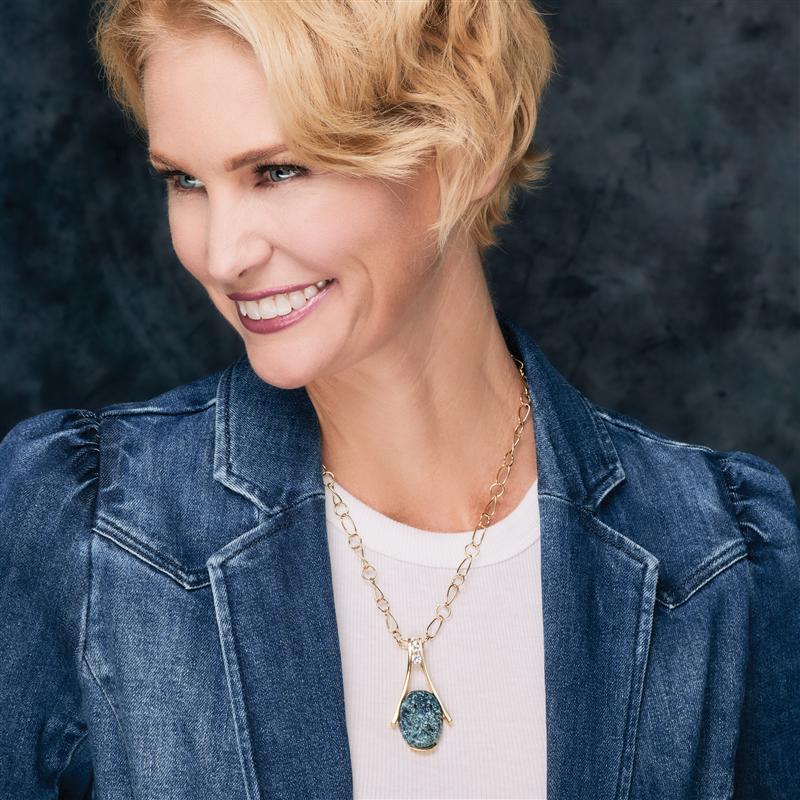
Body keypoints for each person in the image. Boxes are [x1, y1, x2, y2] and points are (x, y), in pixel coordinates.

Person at [1, 1, 797, 798]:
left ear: (465, 151)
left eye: (278, 171)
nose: (222, 254)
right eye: (186, 181)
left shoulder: (722, 558)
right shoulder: (89, 528)